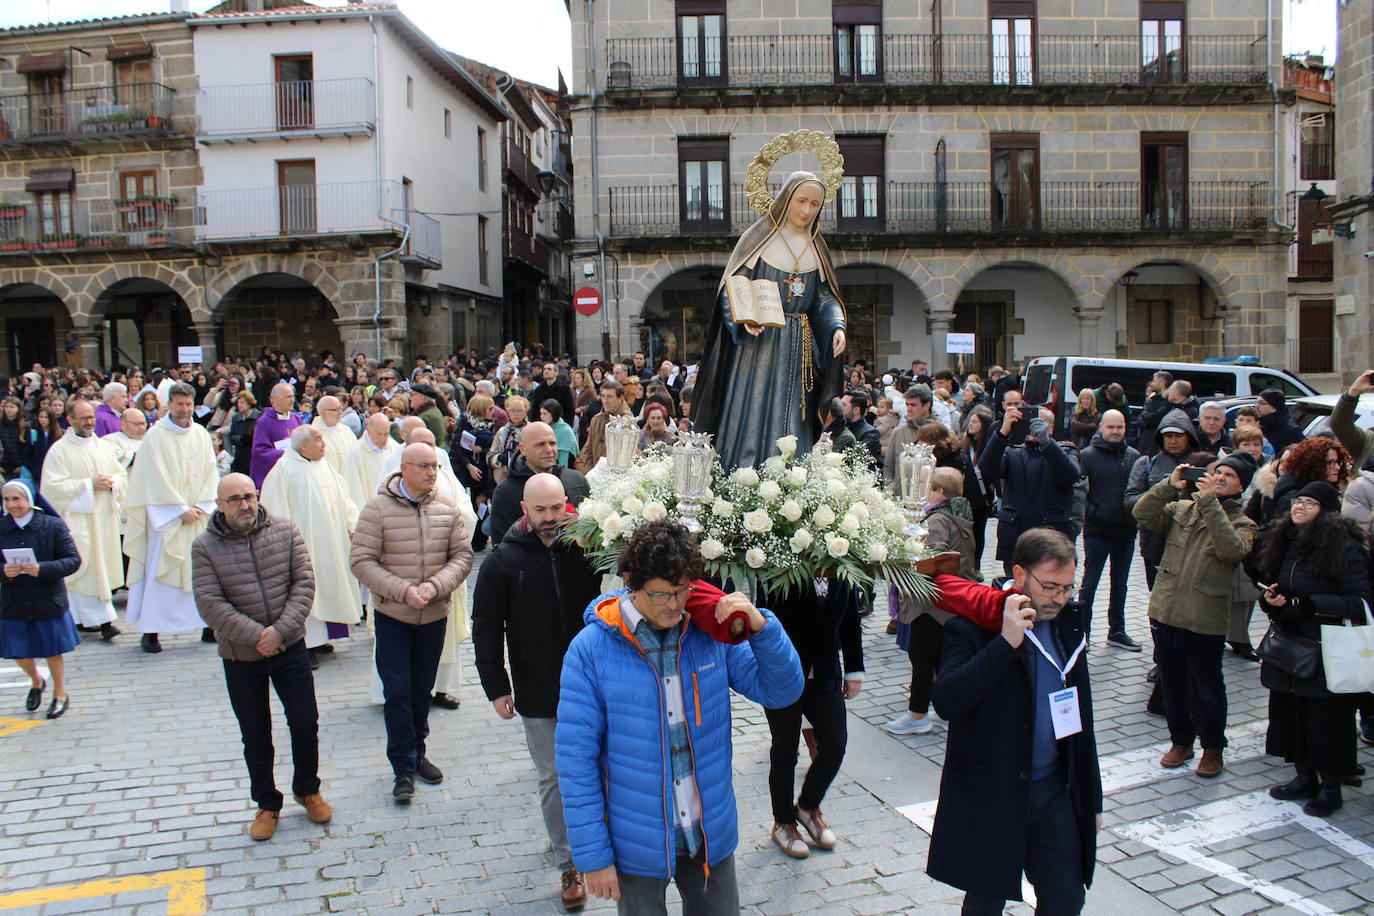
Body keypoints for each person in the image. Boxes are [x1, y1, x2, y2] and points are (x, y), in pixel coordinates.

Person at [556, 520, 804, 913]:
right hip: (635, 840)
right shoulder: (590, 651)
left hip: (709, 833)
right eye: (661, 594)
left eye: (683, 590)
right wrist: (593, 857)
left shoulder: (708, 633)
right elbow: (575, 762)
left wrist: (760, 626)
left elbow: (781, 691)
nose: (675, 604)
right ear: (630, 583)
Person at [926, 528, 1102, 915]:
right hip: (994, 793)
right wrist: (1005, 643)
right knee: (986, 901)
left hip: (1053, 792)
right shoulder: (973, 624)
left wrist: (1092, 799)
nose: (1060, 598)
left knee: (1066, 899)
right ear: (1019, 575)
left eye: (1069, 587)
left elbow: (1081, 715)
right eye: (1052, 586)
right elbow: (948, 700)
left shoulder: (1068, 622)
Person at [472, 473, 603, 911]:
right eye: (541, 510)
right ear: (524, 510)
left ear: (568, 504)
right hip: (536, 684)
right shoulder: (503, 561)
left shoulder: (587, 547)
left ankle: (600, 848)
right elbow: (486, 626)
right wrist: (496, 685)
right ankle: (569, 863)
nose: (550, 519)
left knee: (600, 767)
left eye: (557, 508)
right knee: (552, 777)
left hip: (592, 683)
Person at [192, 472, 330, 841]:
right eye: (234, 499)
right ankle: (267, 803)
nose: (245, 505)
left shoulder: (285, 531)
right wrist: (258, 637)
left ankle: (308, 788)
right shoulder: (205, 546)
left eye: (249, 497)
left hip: (290, 647)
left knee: (304, 722)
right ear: (219, 506)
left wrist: (281, 631)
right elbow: (210, 602)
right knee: (255, 734)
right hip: (242, 655)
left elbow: (304, 583)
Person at [692, 171, 847, 470]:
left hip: (796, 344)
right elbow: (733, 287)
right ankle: (742, 470)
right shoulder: (758, 239)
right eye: (801, 201)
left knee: (791, 412)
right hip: (757, 343)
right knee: (751, 406)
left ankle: (789, 473)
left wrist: (836, 325)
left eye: (815, 204)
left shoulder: (817, 246)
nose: (807, 210)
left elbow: (824, 298)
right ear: (786, 199)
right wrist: (742, 318)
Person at [350, 442, 474, 802]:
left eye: (434, 466)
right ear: (403, 468)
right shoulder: (377, 510)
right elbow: (362, 560)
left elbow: (462, 557)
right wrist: (403, 591)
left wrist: (436, 585)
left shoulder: (446, 508)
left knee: (422, 689)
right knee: (397, 692)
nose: (431, 472)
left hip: (434, 615)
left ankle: (418, 750)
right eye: (423, 466)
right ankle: (402, 766)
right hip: (394, 615)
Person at [1245, 481, 1371, 817]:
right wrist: (1272, 602)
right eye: (1298, 501)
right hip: (1289, 647)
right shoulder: (1285, 542)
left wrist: (1310, 605)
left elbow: (1360, 601)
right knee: (1292, 717)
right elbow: (1279, 588)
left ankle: (1331, 787)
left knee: (1326, 723)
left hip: (1326, 650)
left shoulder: (1345, 547)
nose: (1299, 506)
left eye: (1310, 503)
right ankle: (1304, 776)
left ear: (1327, 512)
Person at [1133, 451, 1258, 778]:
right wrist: (1169, 485)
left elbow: (1232, 550)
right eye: (1217, 472)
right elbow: (1142, 512)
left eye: (1229, 476)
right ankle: (1181, 741)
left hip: (1205, 619)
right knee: (1172, 684)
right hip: (1167, 611)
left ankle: (1213, 748)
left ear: (1241, 485)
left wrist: (1209, 504)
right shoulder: (1182, 508)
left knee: (1207, 688)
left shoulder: (1243, 522)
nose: (1219, 478)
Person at [123, 383, 220, 654]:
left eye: (188, 404)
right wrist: (179, 509)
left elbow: (210, 471)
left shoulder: (200, 434)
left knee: (201, 573)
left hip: (197, 515)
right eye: (179, 404)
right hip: (166, 518)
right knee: (158, 572)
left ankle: (207, 625)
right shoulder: (156, 436)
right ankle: (151, 631)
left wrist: (201, 505)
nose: (185, 409)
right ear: (170, 404)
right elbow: (152, 477)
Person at [259, 425, 361, 668]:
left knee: (328, 587)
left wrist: (353, 524)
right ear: (302, 446)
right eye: (318, 440)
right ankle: (304, 644)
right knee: (306, 593)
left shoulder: (324, 465)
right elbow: (274, 512)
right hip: (304, 546)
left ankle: (323, 637)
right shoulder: (284, 471)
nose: (324, 443)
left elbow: (343, 499)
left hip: (331, 542)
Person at [886, 467, 975, 737]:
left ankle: (918, 714)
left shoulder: (937, 520)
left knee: (921, 656)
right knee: (939, 657)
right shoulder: (959, 514)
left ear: (939, 492)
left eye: (925, 486)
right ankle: (951, 706)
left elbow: (933, 557)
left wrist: (904, 553)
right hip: (945, 599)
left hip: (930, 601)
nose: (920, 491)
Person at [40, 399, 126, 641]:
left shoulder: (103, 447)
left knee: (100, 568)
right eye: (84, 418)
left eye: (91, 418)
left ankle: (90, 620)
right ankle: (98, 620)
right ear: (70, 420)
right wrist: (89, 485)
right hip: (78, 520)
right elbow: (51, 488)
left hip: (103, 518)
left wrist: (114, 484)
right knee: (84, 569)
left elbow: (121, 476)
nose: (89, 422)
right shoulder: (59, 450)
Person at [0, 479, 81, 720]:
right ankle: (36, 680)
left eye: (16, 499)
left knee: (51, 649)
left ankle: (60, 694)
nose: (12, 505)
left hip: (47, 597)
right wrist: (3, 571)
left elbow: (73, 560)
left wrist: (42, 569)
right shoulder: (1, 527)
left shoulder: (52, 526)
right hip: (13, 599)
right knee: (16, 650)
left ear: (30, 499)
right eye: (7, 499)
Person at [979, 407, 1079, 577]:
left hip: (1049, 539)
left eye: (1040, 424)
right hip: (1015, 538)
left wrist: (1047, 443)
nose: (1034, 429)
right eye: (1030, 424)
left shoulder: (1065, 451)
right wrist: (1002, 433)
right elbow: (987, 467)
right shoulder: (1013, 451)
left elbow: (1071, 474)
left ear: (1051, 428)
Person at [1077, 409, 1141, 650]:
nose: (1115, 432)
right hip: (1097, 532)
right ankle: (1083, 633)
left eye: (1120, 427)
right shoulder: (1087, 455)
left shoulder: (1134, 456)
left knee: (1121, 584)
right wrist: (1095, 514)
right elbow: (1081, 495)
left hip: (1126, 531)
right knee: (1089, 584)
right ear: (1100, 427)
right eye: (1111, 427)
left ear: (1125, 428)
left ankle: (1117, 630)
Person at [1124, 407, 1200, 588]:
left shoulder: (1201, 463)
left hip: (1191, 544)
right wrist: (1162, 491)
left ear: (1189, 436)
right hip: (1156, 543)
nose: (1173, 441)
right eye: (1168, 436)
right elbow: (1129, 502)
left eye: (1178, 436)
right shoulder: (1146, 463)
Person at [489, 422, 589, 550]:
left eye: (552, 443)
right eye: (540, 444)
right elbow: (502, 549)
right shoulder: (505, 492)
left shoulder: (576, 480)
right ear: (523, 449)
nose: (548, 449)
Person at [959, 405, 996, 572]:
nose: (971, 424)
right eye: (970, 421)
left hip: (980, 498)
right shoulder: (965, 445)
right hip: (964, 495)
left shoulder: (988, 447)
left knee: (978, 533)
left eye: (975, 422)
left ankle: (976, 566)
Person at [342, 413, 401, 512]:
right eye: (378, 434)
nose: (383, 438)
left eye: (386, 434)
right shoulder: (355, 453)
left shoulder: (395, 448)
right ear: (368, 430)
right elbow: (353, 490)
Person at [249, 383, 303, 488]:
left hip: (295, 473)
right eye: (288, 397)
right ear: (274, 399)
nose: (292, 400)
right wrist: (286, 453)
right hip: (275, 475)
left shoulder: (297, 419)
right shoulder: (264, 422)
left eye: (293, 396)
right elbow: (260, 451)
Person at [577, 379, 632, 473]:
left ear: (620, 398)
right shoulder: (596, 419)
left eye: (609, 396)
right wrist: (590, 473)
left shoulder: (627, 423)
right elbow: (587, 450)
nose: (605, 400)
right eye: (603, 396)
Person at [882, 385, 935, 482]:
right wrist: (891, 490)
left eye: (913, 405)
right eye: (907, 405)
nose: (909, 409)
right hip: (899, 495)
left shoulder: (939, 432)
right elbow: (888, 468)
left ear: (927, 405)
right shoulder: (898, 432)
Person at [310, 395, 356, 477]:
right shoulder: (313, 434)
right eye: (335, 410)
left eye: (340, 409)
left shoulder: (346, 430)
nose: (340, 413)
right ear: (322, 412)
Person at [1132, 370, 1174, 455]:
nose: (1152, 384)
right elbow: (1141, 417)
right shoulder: (1153, 399)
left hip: (1154, 441)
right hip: (1145, 438)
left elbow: (1153, 417)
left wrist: (1145, 416)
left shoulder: (1167, 401)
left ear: (1162, 383)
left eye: (1154, 381)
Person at [1255, 388, 1304, 454]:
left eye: (1262, 403)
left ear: (1273, 408)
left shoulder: (1291, 430)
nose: (1256, 406)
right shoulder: (1259, 424)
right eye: (1256, 402)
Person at [842, 389, 881, 469]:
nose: (840, 408)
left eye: (844, 405)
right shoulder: (840, 427)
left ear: (856, 410)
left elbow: (855, 459)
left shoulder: (871, 433)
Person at [409, 384, 449, 451]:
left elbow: (407, 439)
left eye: (413, 395)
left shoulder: (425, 416)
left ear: (422, 398)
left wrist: (393, 426)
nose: (410, 398)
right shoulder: (430, 410)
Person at [540, 399, 579, 467]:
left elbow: (564, 461)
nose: (541, 417)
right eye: (541, 413)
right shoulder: (547, 429)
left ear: (553, 414)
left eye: (545, 414)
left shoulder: (565, 431)